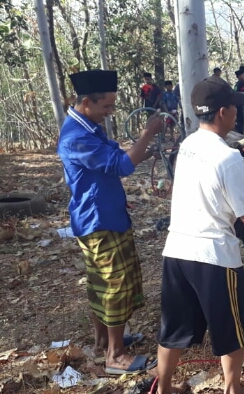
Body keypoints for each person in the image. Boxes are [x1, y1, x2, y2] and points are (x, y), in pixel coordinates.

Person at [155, 76, 244, 394]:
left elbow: (228, 179)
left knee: (175, 327)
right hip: (215, 259)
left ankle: (163, 388)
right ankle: (233, 389)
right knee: (231, 329)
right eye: (234, 106)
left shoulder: (189, 146)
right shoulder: (228, 156)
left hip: (177, 251)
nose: (238, 111)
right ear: (223, 112)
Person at [57, 70, 163, 375]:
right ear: (87, 101)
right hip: (98, 221)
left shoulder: (88, 126)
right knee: (114, 285)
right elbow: (123, 165)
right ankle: (116, 356)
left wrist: (141, 150)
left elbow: (114, 156)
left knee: (102, 283)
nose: (110, 112)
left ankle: (104, 340)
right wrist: (147, 134)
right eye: (106, 106)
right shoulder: (77, 137)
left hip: (108, 214)